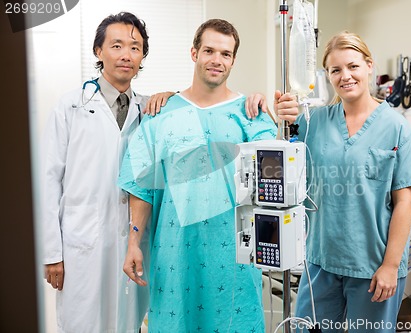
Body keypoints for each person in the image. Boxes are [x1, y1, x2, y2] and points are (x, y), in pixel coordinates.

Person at [118, 18, 297, 333]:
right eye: (209, 51)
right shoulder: (162, 114)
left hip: (236, 261)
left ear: (233, 60)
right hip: (175, 254)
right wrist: (133, 242)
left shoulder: (252, 117)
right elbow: (140, 186)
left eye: (226, 54)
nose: (217, 60)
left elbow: (275, 190)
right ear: (194, 53)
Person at [277, 31, 411, 332]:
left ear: (369, 66)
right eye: (336, 70)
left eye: (353, 66)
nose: (345, 76)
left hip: (373, 265)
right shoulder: (315, 122)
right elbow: (281, 140)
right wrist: (279, 110)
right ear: (328, 76)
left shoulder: (396, 128)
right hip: (320, 262)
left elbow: (404, 202)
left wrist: (389, 266)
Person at [41, 12, 152, 333]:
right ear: (98, 51)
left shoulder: (149, 110)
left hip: (131, 243)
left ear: (142, 56)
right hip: (81, 245)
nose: (126, 55)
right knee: (82, 323)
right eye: (116, 45)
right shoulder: (71, 107)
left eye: (135, 47)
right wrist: (52, 253)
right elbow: (48, 183)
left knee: (128, 323)